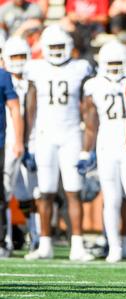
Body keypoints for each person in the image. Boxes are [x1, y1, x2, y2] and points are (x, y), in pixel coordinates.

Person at [24, 25, 94, 261]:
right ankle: (45, 244)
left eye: (59, 46)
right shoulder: (36, 68)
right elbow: (30, 108)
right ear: (44, 47)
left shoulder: (79, 68)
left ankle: (77, 245)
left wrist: (87, 146)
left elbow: (87, 109)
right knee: (45, 192)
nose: (55, 50)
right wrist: (29, 143)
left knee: (73, 192)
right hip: (45, 135)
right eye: (51, 46)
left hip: (71, 135)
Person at [81, 40, 126, 263]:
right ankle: (115, 247)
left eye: (118, 62)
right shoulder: (94, 85)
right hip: (106, 146)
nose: (113, 67)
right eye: (110, 62)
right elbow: (91, 123)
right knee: (111, 200)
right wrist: (85, 151)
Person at [3, 36, 40, 253]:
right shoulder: (4, 80)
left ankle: (34, 234)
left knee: (31, 193)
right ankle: (5, 238)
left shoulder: (33, 81)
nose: (17, 61)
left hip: (30, 141)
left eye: (21, 56)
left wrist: (30, 143)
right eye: (13, 56)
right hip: (8, 141)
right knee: (6, 194)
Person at [0, 49, 24, 258]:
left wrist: (18, 141)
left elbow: (15, 108)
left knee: (2, 194)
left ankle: (2, 241)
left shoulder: (3, 76)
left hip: (0, 141)